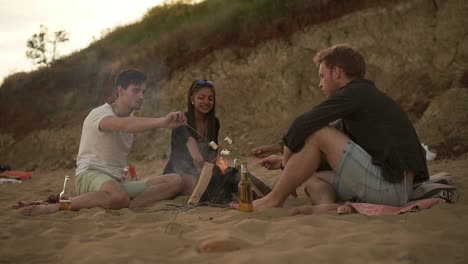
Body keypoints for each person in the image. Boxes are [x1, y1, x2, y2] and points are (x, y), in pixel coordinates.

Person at [237, 44, 429, 215]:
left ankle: (273, 200)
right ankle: (326, 205)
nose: (320, 83)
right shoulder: (363, 98)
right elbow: (331, 143)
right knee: (311, 175)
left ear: (337, 72)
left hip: (394, 188)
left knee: (317, 132)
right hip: (391, 185)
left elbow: (302, 124)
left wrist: (287, 161)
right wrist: (282, 157)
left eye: (322, 76)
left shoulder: (356, 93)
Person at [21, 69, 189, 216]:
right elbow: (123, 125)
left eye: (143, 92)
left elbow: (130, 125)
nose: (141, 97)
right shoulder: (100, 113)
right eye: (136, 91)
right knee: (118, 196)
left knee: (176, 181)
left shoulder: (131, 120)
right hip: (89, 175)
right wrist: (162, 122)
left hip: (117, 182)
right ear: (120, 90)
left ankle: (132, 206)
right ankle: (58, 207)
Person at [163, 80, 220, 177]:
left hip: (201, 173)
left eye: (210, 99)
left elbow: (213, 152)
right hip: (177, 174)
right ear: (192, 99)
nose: (206, 102)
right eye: (201, 98)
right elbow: (196, 155)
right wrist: (207, 174)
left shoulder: (214, 122)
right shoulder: (181, 120)